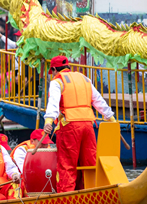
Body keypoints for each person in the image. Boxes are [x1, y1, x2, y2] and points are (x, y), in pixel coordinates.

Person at [43, 55, 116, 192]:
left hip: (70, 126)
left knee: (67, 166)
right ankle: (92, 194)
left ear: (54, 69)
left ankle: (66, 200)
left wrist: (48, 121)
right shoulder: (84, 79)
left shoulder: (57, 81)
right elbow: (98, 101)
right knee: (89, 164)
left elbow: (53, 103)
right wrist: (110, 118)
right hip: (88, 125)